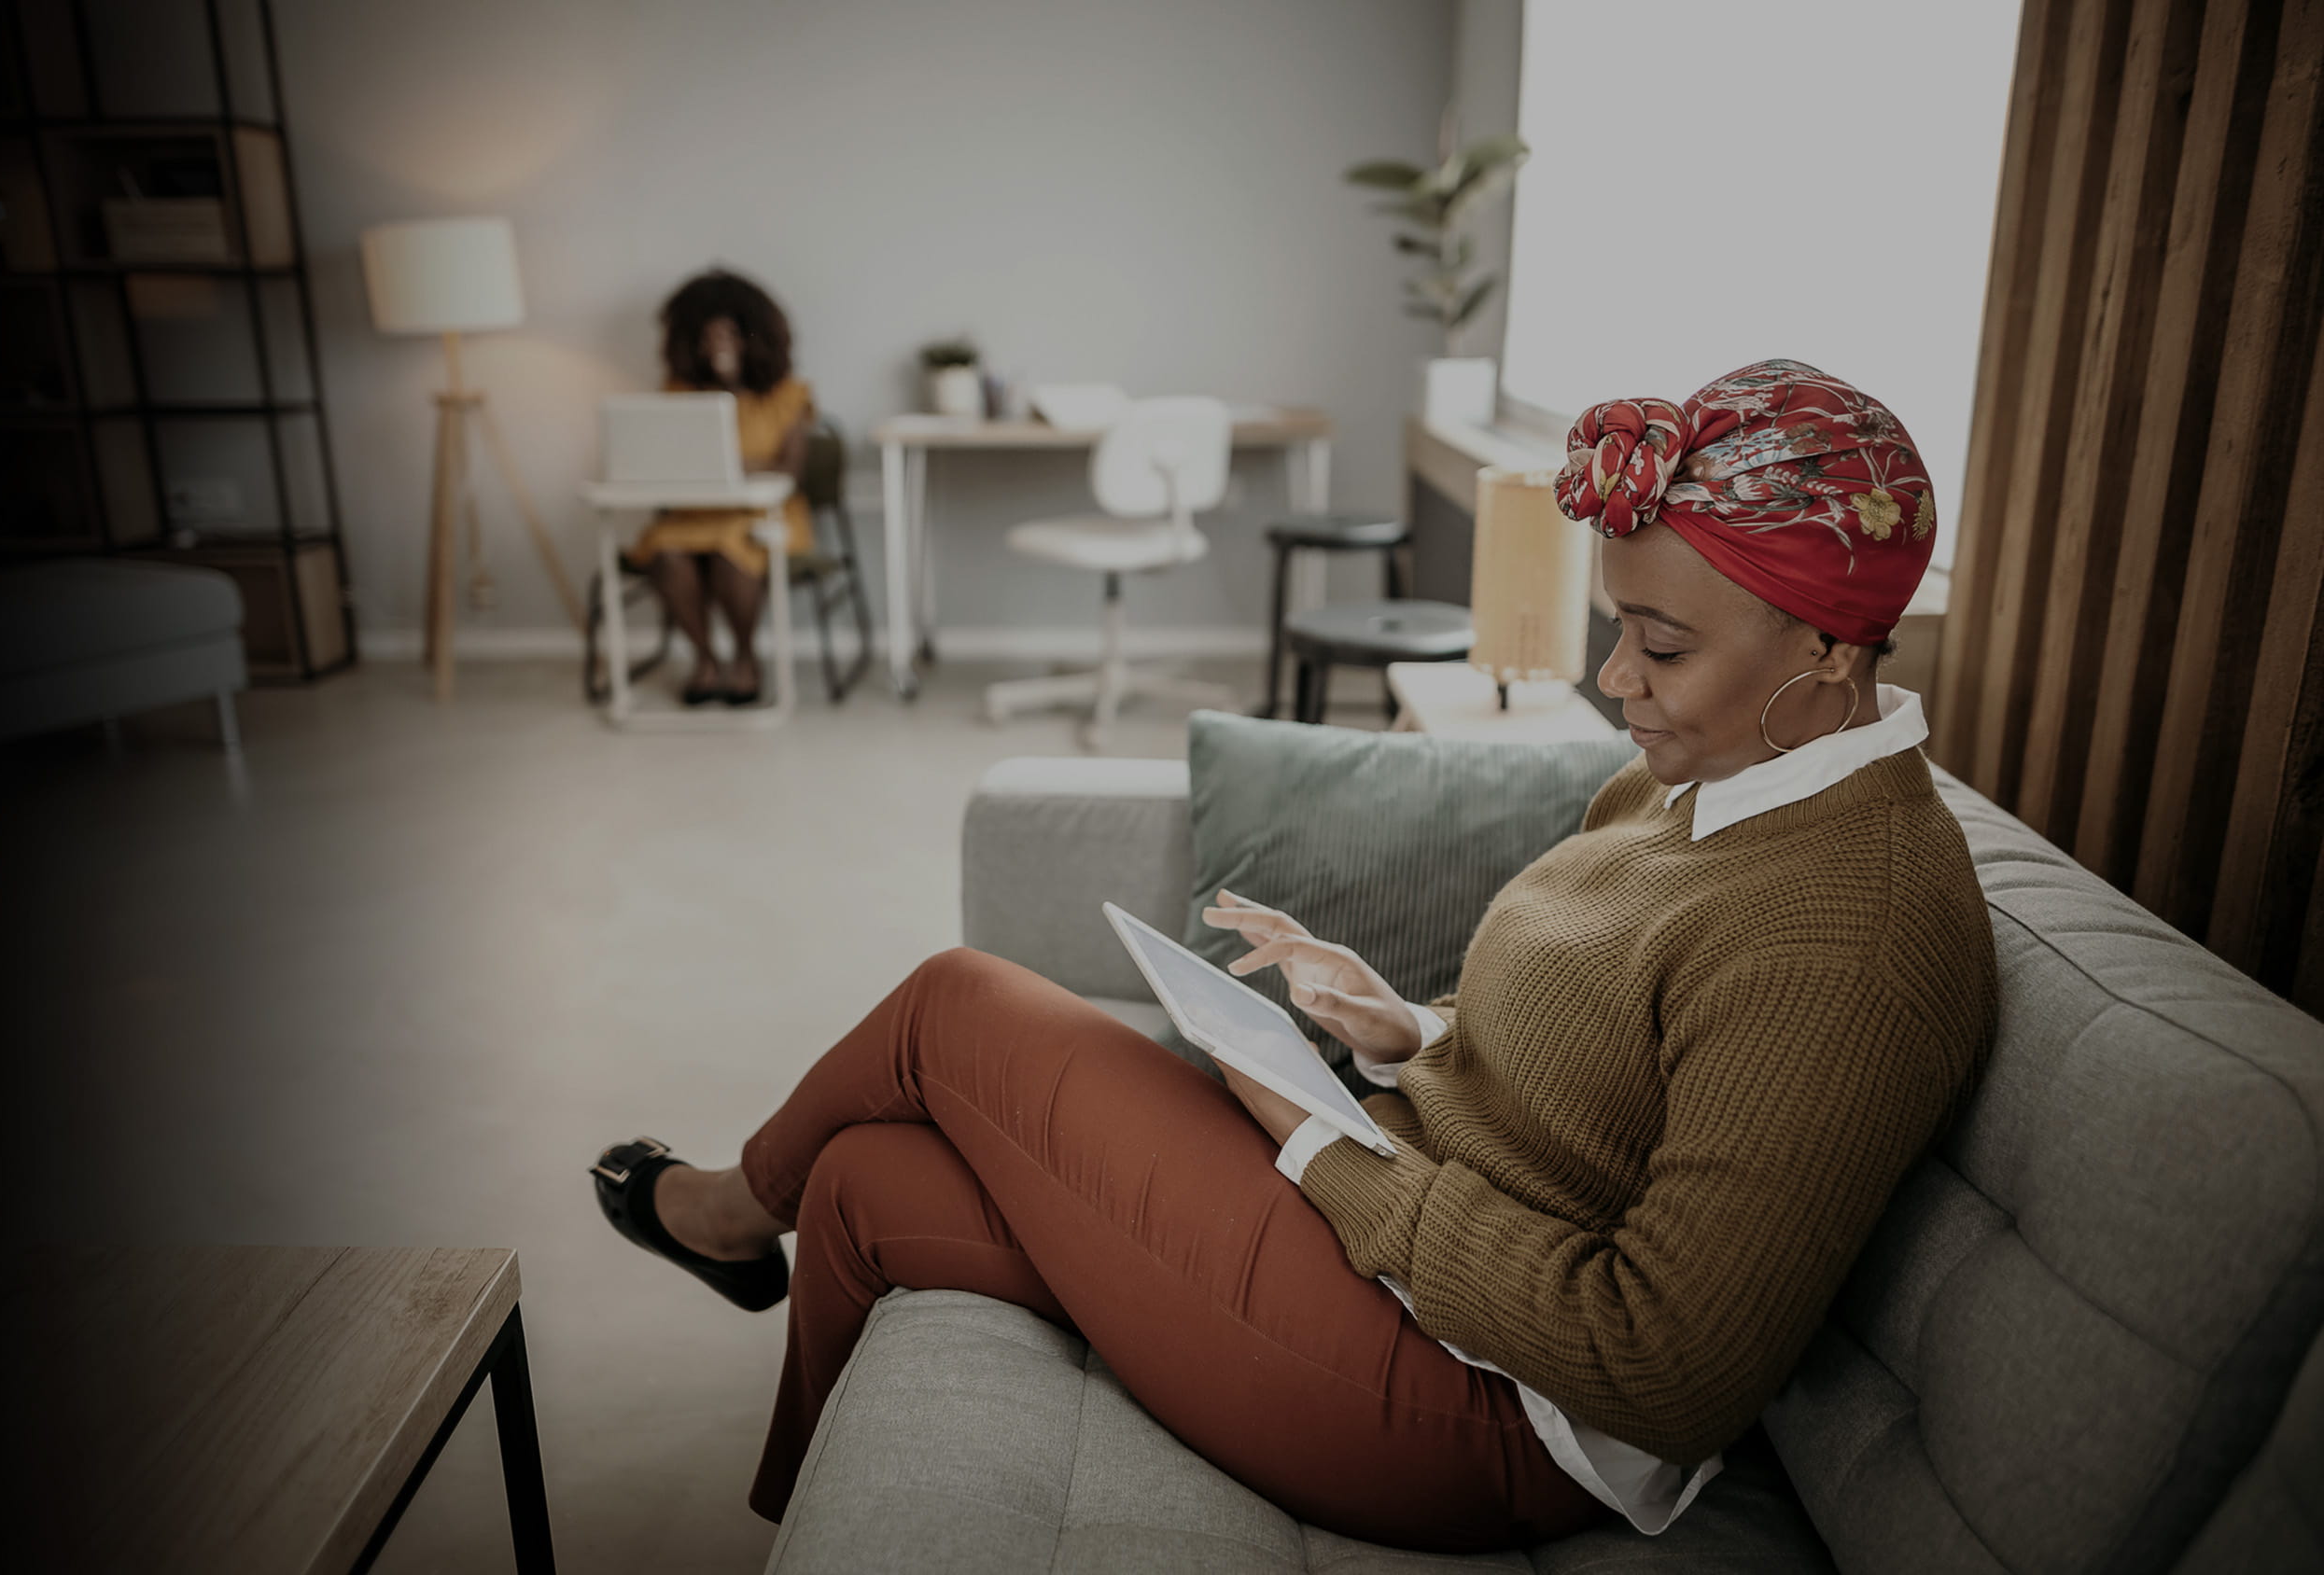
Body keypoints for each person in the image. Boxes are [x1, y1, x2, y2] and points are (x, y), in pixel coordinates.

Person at [590, 359, 1995, 1551]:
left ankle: (721, 1216)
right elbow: (1602, 1083)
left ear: (1826, 645)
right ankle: (793, 1536)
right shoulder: (1709, 774)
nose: (1615, 679)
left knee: (955, 1005)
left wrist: (1323, 1155)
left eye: (1660, 646)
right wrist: (1405, 1032)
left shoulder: (1853, 934)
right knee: (863, 1183)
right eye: (1617, 630)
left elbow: (1658, 1365)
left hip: (1489, 1410)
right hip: (1406, 1234)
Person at [627, 269, 816, 705]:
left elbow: (788, 470)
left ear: (754, 337)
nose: (718, 347)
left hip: (761, 515)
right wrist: (745, 462)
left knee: (734, 551)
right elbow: (668, 462)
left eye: (729, 336)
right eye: (708, 338)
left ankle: (745, 658)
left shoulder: (786, 395)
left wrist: (732, 459)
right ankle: (706, 658)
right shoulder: (680, 393)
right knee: (667, 551)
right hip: (694, 514)